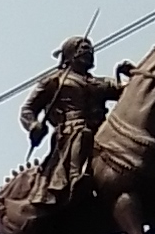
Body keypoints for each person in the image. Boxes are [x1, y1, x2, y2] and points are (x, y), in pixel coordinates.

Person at [19, 36, 125, 212]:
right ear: (69, 54)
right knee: (82, 133)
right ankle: (76, 178)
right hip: (71, 129)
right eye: (82, 49)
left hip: (101, 127)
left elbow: (128, 92)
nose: (88, 52)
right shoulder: (55, 80)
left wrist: (134, 73)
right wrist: (33, 125)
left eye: (90, 49)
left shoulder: (99, 83)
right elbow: (27, 109)